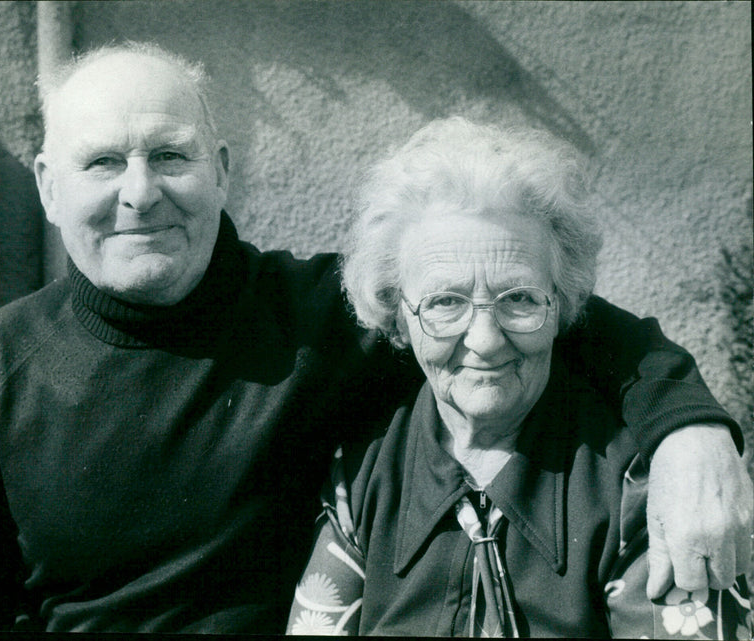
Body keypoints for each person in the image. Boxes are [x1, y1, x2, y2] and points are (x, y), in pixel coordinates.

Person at [0, 43, 750, 634]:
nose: (140, 191)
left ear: (222, 170)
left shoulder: (321, 313)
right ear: (48, 186)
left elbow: (538, 314)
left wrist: (690, 430)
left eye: (170, 155)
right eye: (102, 164)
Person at [287, 118, 754, 637]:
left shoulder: (644, 488)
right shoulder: (363, 474)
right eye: (445, 302)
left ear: (564, 305)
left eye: (520, 299)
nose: (485, 340)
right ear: (399, 316)